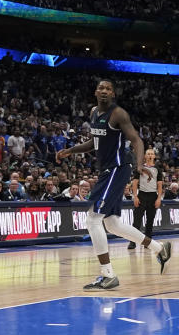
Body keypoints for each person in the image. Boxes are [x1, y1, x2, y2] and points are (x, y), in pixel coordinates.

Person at [56, 80, 173, 291]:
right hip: (107, 171)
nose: (104, 91)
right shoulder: (94, 113)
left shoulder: (118, 114)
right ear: (95, 92)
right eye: (100, 88)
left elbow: (136, 140)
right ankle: (159, 248)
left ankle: (108, 274)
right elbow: (94, 143)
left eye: (108, 89)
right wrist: (70, 150)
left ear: (113, 94)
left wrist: (139, 163)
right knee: (112, 224)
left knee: (92, 219)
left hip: (118, 168)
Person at [129, 148, 163, 249]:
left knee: (150, 221)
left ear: (154, 156)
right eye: (148, 154)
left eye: (151, 154)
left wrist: (159, 198)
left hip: (153, 196)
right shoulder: (139, 168)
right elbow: (134, 183)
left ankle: (147, 243)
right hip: (142, 195)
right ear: (145, 156)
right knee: (137, 220)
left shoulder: (158, 169)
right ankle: (132, 242)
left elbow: (160, 185)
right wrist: (135, 196)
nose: (150, 155)